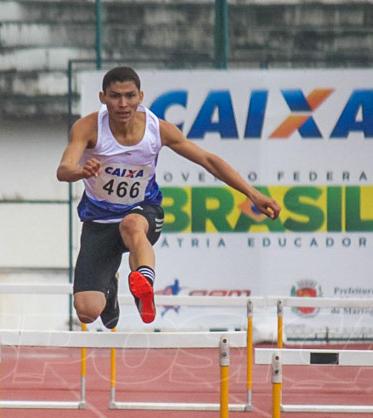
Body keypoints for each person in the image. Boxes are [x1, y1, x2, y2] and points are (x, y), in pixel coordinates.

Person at [57, 66, 281, 328]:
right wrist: (80, 171)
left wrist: (252, 194)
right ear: (102, 97)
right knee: (87, 311)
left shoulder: (157, 129)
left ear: (141, 96)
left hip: (144, 210)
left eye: (130, 96)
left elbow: (208, 160)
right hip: (99, 220)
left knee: (131, 224)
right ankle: (111, 285)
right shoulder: (88, 128)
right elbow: (63, 170)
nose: (123, 104)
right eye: (115, 96)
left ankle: (144, 285)